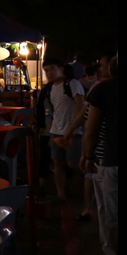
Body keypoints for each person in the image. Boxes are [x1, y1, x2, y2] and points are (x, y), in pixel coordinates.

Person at [81, 53, 118, 255]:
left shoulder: (104, 90)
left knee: (111, 214)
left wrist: (88, 155)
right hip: (109, 158)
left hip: (111, 160)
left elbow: (91, 129)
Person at [43, 59, 87, 200]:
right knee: (58, 162)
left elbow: (82, 105)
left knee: (74, 163)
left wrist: (73, 126)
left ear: (61, 69)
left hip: (73, 130)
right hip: (56, 129)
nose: (49, 73)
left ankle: (93, 181)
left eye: (52, 69)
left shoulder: (72, 84)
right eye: (46, 70)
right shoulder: (51, 87)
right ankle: (61, 194)